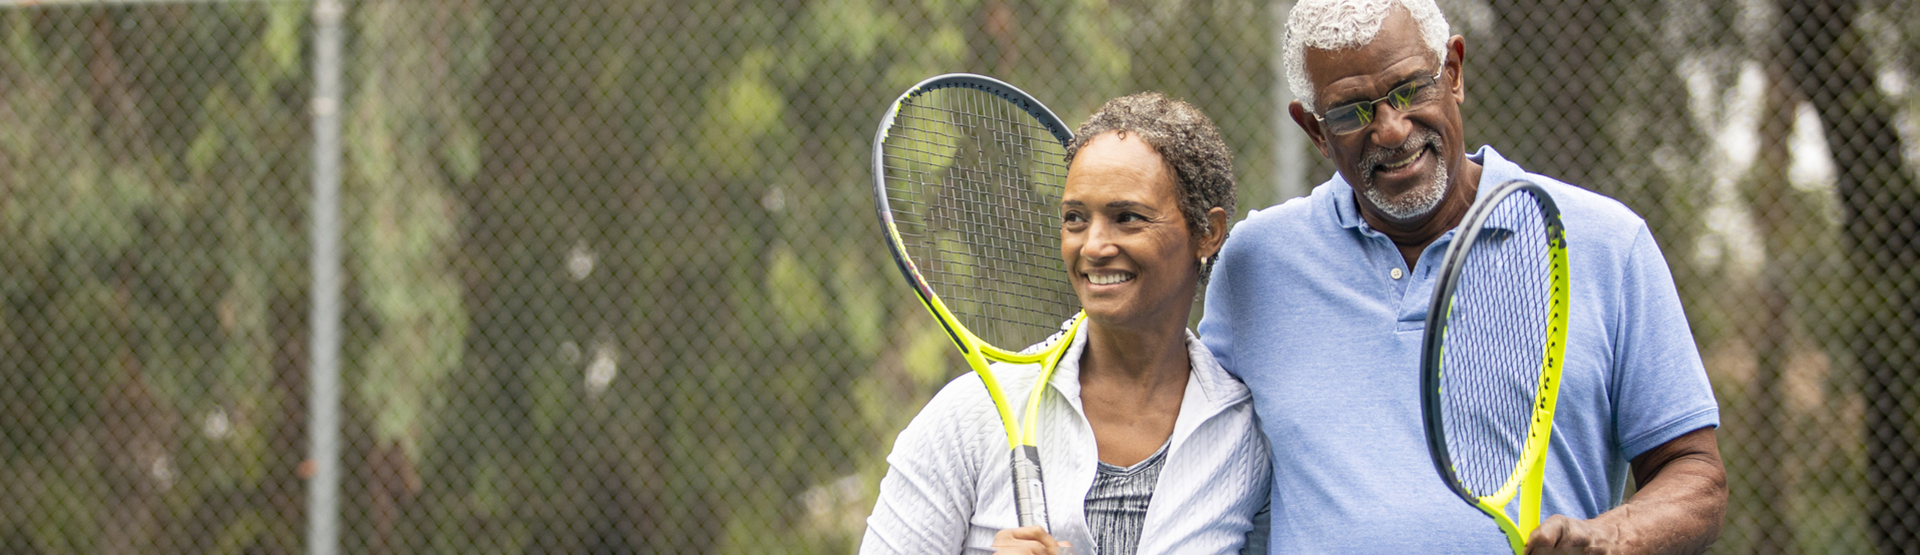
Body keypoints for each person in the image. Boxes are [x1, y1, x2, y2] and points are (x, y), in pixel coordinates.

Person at [1197, 0, 1728, 552]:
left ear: (1453, 72)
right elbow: (1202, 465)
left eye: (1409, 89)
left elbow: (1693, 472)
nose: (1391, 129)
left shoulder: (1606, 244)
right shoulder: (1255, 265)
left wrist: (1614, 536)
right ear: (1314, 129)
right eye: (1352, 111)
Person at [862, 92, 1271, 555]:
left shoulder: (1248, 436)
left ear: (1208, 233)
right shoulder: (967, 418)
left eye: (1127, 218)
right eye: (1075, 218)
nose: (1093, 245)